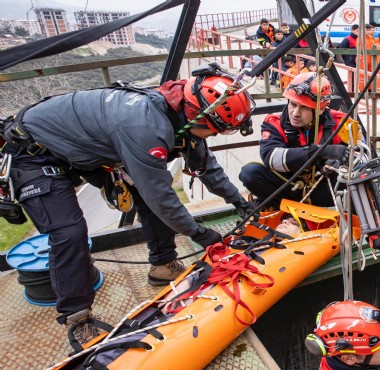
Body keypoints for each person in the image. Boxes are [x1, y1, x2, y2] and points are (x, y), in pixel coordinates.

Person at [0, 63, 253, 344]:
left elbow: (206, 167)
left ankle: (163, 265)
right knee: (68, 232)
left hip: (76, 149)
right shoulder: (145, 127)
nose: (216, 136)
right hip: (34, 154)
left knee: (148, 196)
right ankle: (78, 319)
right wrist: (198, 233)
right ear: (197, 118)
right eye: (216, 130)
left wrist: (239, 202)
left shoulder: (180, 111)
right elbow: (161, 196)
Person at [238, 72, 349, 208]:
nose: (295, 113)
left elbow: (363, 156)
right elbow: (271, 158)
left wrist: (339, 162)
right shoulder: (274, 124)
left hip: (323, 189)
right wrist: (319, 152)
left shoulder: (341, 123)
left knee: (354, 176)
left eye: (304, 108)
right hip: (289, 188)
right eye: (293, 104)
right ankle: (288, 210)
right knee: (250, 173)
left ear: (320, 109)